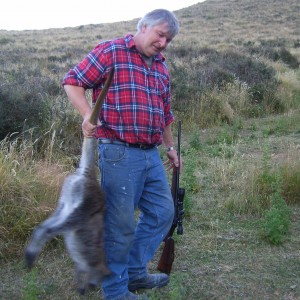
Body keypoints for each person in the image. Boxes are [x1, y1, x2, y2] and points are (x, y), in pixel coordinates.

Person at [62, 9, 180, 300]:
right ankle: (115, 292)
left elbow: (164, 114)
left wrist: (170, 147)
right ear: (143, 26)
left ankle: (135, 272)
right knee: (121, 226)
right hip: (119, 153)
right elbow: (73, 81)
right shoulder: (111, 51)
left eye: (169, 39)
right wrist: (88, 114)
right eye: (160, 34)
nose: (163, 43)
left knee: (163, 213)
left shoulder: (161, 66)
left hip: (151, 153)